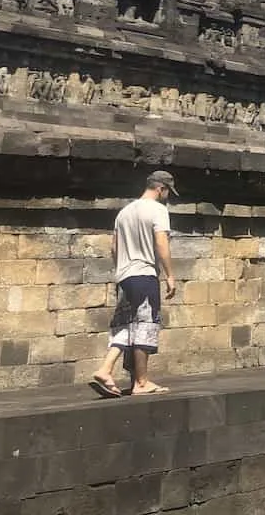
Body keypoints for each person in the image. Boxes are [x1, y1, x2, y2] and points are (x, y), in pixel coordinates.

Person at [89, 170, 178, 397]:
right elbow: (161, 243)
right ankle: (137, 381)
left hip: (125, 276)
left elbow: (114, 248)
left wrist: (121, 269)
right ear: (161, 189)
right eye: (167, 192)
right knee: (145, 326)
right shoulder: (158, 210)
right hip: (144, 275)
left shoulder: (124, 212)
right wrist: (169, 274)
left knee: (127, 325)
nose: (167, 196)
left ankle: (113, 371)